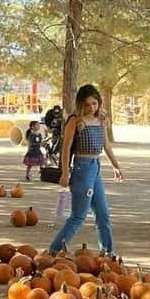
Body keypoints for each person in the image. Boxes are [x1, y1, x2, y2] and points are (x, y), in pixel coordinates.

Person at [49, 83, 124, 255]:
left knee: (103, 215)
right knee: (78, 216)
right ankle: (53, 250)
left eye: (94, 103)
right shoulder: (75, 120)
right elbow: (66, 148)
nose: (92, 107)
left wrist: (116, 166)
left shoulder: (101, 119)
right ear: (81, 104)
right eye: (88, 104)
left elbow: (106, 145)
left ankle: (108, 252)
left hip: (95, 168)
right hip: (82, 169)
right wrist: (65, 173)